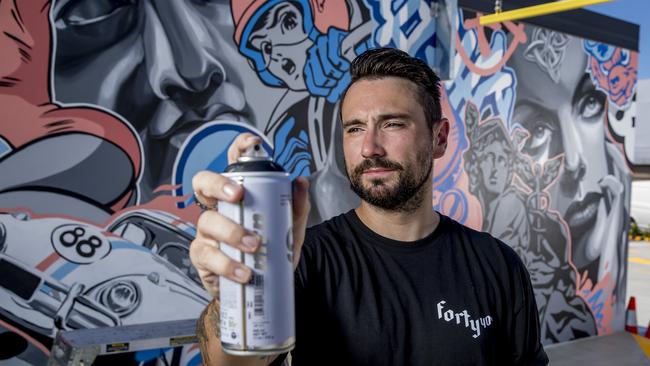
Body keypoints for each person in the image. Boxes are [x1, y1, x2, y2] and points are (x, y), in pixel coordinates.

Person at [190, 48, 548, 365]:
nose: (369, 148)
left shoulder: (497, 264)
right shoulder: (302, 259)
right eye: (355, 128)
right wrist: (235, 295)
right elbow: (232, 365)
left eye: (392, 124)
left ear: (439, 138)